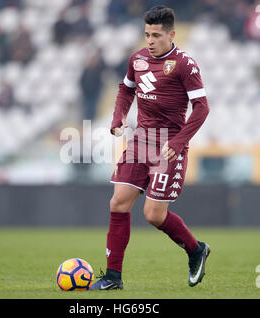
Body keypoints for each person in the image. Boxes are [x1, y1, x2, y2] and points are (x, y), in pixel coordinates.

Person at [90, 6, 211, 290]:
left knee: (153, 215)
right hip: (141, 139)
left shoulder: (185, 64)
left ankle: (196, 250)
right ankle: (113, 277)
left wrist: (179, 142)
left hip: (169, 143)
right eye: (147, 35)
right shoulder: (138, 58)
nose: (150, 41)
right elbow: (125, 89)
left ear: (171, 34)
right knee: (118, 203)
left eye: (156, 35)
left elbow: (202, 108)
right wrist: (118, 116)